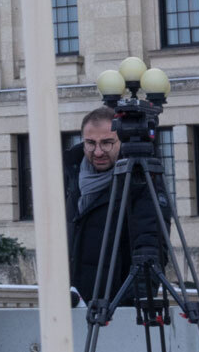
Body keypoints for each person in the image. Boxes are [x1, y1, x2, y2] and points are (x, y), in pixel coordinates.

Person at [64, 106, 165, 308]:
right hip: (76, 304)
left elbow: (151, 249)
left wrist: (127, 307)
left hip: (117, 307)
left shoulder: (140, 180)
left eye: (107, 143)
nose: (98, 151)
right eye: (90, 143)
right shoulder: (71, 175)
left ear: (122, 142)